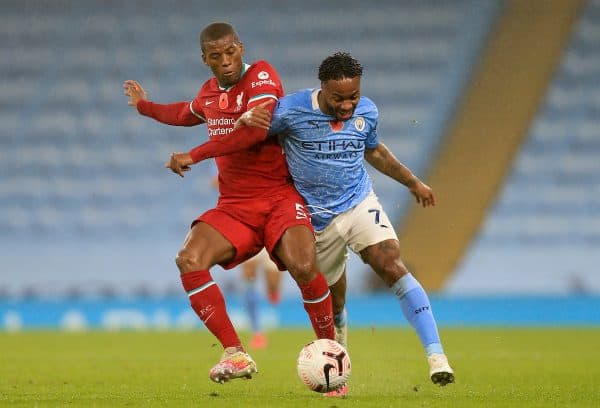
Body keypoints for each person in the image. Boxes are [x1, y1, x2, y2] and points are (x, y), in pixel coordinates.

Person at [122, 22, 334, 384]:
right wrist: (144, 106)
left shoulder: (262, 76)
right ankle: (236, 354)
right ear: (204, 59)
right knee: (189, 260)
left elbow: (253, 132)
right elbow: (183, 113)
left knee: (302, 264)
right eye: (215, 56)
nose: (226, 61)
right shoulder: (208, 95)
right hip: (235, 206)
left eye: (231, 52)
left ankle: (331, 351)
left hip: (279, 197)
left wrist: (194, 155)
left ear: (241, 47)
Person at [238, 52, 455, 396]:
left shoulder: (366, 111)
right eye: (339, 98)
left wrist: (413, 182)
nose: (347, 104)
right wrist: (247, 118)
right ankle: (337, 361)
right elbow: (250, 134)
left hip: (358, 203)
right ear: (322, 88)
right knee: (335, 304)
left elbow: (376, 152)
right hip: (313, 220)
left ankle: (437, 356)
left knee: (389, 261)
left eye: (353, 96)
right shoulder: (291, 110)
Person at [240, 248, 282, 349]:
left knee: (273, 286)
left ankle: (273, 293)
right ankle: (257, 332)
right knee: (249, 275)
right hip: (253, 237)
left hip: (270, 242)